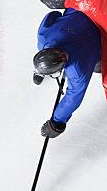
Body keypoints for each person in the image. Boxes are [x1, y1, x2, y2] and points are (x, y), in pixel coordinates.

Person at [33, 8, 101, 138]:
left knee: (100, 66)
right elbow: (54, 15)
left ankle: (42, 68)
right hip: (86, 8)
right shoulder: (44, 36)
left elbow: (73, 99)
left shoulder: (78, 70)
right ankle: (42, 67)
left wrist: (57, 122)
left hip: (100, 32)